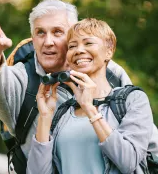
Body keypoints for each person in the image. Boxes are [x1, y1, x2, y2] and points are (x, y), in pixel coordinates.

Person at [0, 0, 133, 172]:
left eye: (57, 32)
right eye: (40, 33)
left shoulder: (109, 72)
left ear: (72, 34)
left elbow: (143, 140)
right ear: (33, 38)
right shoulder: (22, 80)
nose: (48, 41)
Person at [28, 18, 153, 174]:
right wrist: (45, 118)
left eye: (88, 43)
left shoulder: (133, 100)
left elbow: (128, 161)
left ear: (109, 50)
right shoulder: (63, 113)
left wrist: (90, 108)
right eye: (72, 46)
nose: (79, 50)